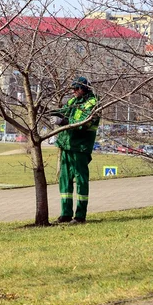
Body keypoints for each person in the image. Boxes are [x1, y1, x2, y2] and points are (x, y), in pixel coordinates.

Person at [50, 77, 100, 224]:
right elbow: (64, 111)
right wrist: (49, 112)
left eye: (76, 89)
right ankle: (65, 214)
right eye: (72, 89)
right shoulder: (73, 101)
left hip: (80, 147)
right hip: (66, 145)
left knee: (80, 180)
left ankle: (80, 216)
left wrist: (65, 122)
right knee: (64, 180)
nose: (73, 91)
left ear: (84, 88)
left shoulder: (93, 103)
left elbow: (83, 122)